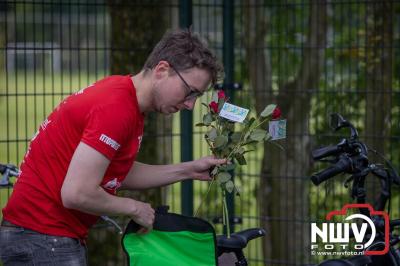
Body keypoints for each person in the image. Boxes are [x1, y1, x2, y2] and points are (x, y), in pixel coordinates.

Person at [0, 28, 225, 265]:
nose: (190, 104)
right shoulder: (116, 109)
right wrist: (134, 208)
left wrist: (188, 170)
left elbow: (116, 172)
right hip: (42, 238)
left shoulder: (127, 101)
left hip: (43, 236)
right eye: (190, 92)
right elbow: (77, 193)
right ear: (161, 70)